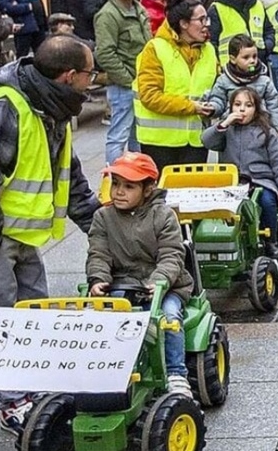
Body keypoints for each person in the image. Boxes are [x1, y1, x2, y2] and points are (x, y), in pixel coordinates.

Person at [0, 35, 100, 435]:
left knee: (34, 305)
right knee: (4, 316)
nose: (92, 80)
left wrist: (104, 229)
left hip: (16, 232)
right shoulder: (3, 111)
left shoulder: (52, 107)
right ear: (68, 76)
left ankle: (38, 385)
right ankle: (13, 402)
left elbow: (71, 179)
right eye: (88, 73)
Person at [86, 151, 194, 397]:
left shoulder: (163, 216)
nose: (119, 192)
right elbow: (98, 253)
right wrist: (98, 278)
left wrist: (160, 281)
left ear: (148, 189)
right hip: (122, 283)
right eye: (115, 184)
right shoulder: (103, 217)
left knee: (167, 316)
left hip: (166, 285)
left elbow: (171, 254)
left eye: (128, 186)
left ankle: (176, 373)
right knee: (100, 317)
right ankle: (107, 369)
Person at [202, 88, 278, 259]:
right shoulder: (226, 130)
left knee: (267, 202)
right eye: (237, 105)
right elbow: (207, 141)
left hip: (260, 180)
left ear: (257, 109)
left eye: (248, 105)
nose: (242, 109)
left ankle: (270, 241)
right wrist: (223, 124)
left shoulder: (267, 132)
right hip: (232, 182)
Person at [134, 0, 219, 170]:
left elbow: (217, 86)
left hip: (196, 142)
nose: (207, 24)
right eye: (201, 20)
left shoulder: (209, 50)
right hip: (160, 144)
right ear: (184, 24)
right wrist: (191, 107)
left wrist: (216, 105)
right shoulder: (155, 48)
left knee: (193, 195)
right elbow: (149, 96)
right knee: (163, 195)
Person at [95, 0, 152, 165]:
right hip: (123, 85)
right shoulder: (108, 15)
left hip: (140, 83)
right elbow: (104, 53)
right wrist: (127, 80)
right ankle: (114, 180)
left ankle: (137, 179)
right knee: (118, 136)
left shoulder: (139, 9)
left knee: (138, 136)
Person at [204, 34, 278, 131]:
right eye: (246, 57)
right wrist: (213, 107)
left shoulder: (265, 81)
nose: (252, 61)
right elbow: (218, 99)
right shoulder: (223, 80)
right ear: (233, 59)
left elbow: (274, 107)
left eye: (254, 56)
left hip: (260, 129)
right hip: (232, 130)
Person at [208, 0, 273, 63]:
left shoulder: (258, 5)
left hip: (258, 62)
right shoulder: (217, 8)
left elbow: (269, 30)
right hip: (230, 66)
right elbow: (212, 42)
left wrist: (267, 47)